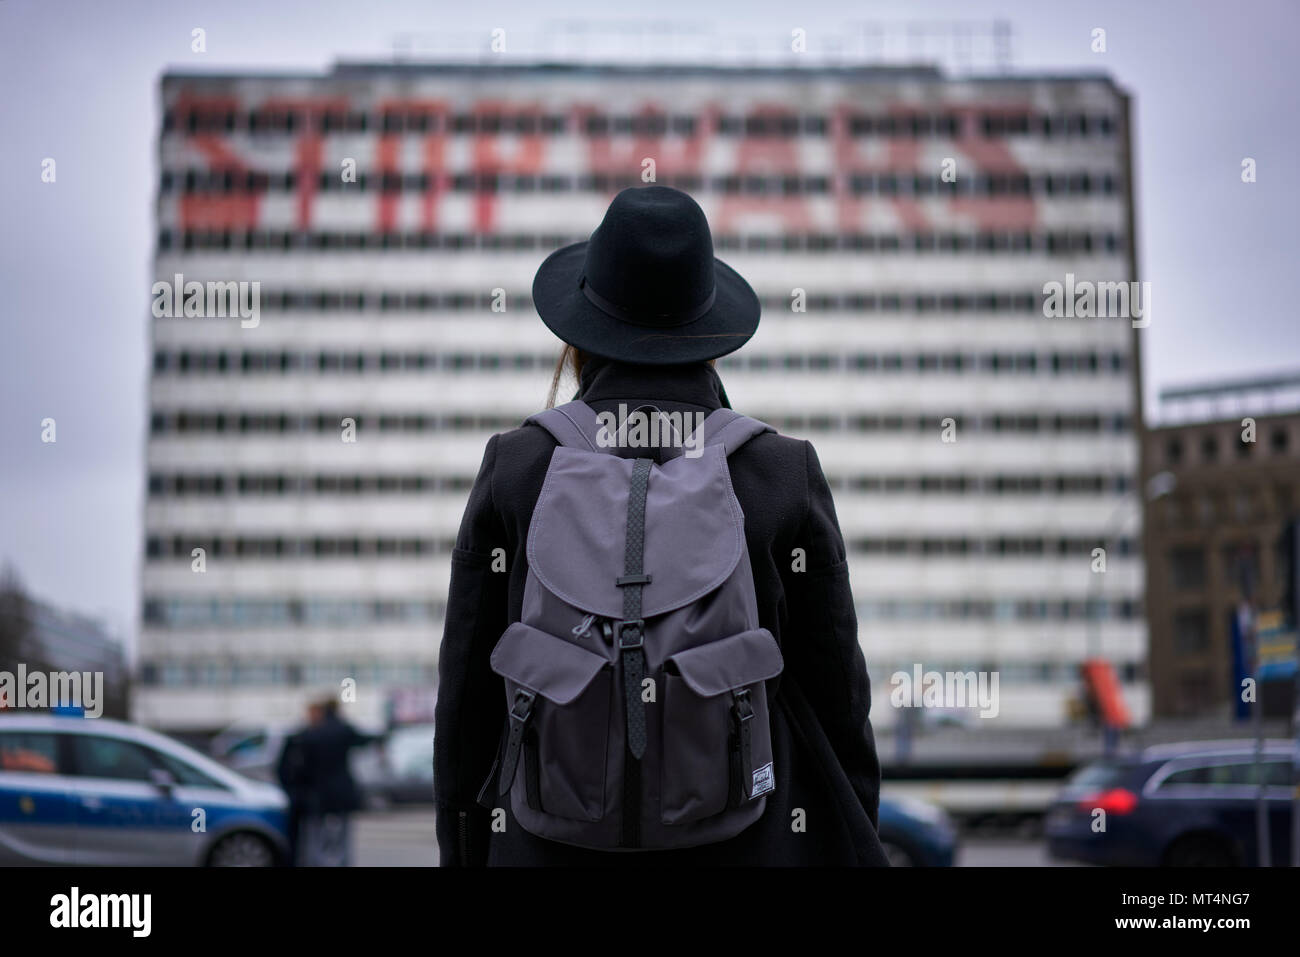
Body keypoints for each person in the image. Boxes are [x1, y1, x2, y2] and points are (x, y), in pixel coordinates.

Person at [434, 185, 888, 866]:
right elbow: (839, 707)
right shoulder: (779, 472)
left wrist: (463, 848)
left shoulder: (518, 467)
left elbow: (466, 704)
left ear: (581, 333)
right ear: (710, 334)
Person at [294, 698, 381, 866]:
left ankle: (317, 862)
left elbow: (301, 766)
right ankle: (343, 862)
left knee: (316, 834)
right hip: (342, 789)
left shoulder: (312, 733)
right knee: (343, 835)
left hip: (317, 790)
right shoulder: (343, 729)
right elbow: (364, 740)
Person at [274, 701, 322, 866]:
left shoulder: (316, 737)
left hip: (310, 797)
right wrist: (289, 789)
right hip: (299, 795)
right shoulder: (298, 738)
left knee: (313, 837)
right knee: (296, 837)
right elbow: (281, 768)